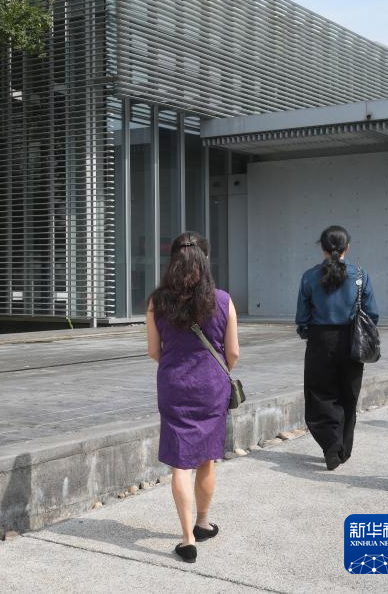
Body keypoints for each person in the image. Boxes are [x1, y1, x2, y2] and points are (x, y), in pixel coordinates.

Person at [147, 231, 239, 564]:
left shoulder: (157, 301)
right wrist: (214, 374)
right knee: (207, 459)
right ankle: (202, 522)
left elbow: (154, 351)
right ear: (206, 259)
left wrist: (177, 367)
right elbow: (233, 353)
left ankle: (187, 541)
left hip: (174, 386)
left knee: (180, 464)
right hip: (211, 387)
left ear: (173, 260)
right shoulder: (223, 300)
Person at [296, 225, 379, 470]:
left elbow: (302, 317)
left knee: (319, 394)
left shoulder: (309, 276)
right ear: (347, 247)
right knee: (348, 394)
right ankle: (343, 448)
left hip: (320, 340)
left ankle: (331, 446)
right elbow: (372, 314)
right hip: (352, 340)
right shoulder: (361, 275)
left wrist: (308, 334)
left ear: (322, 248)